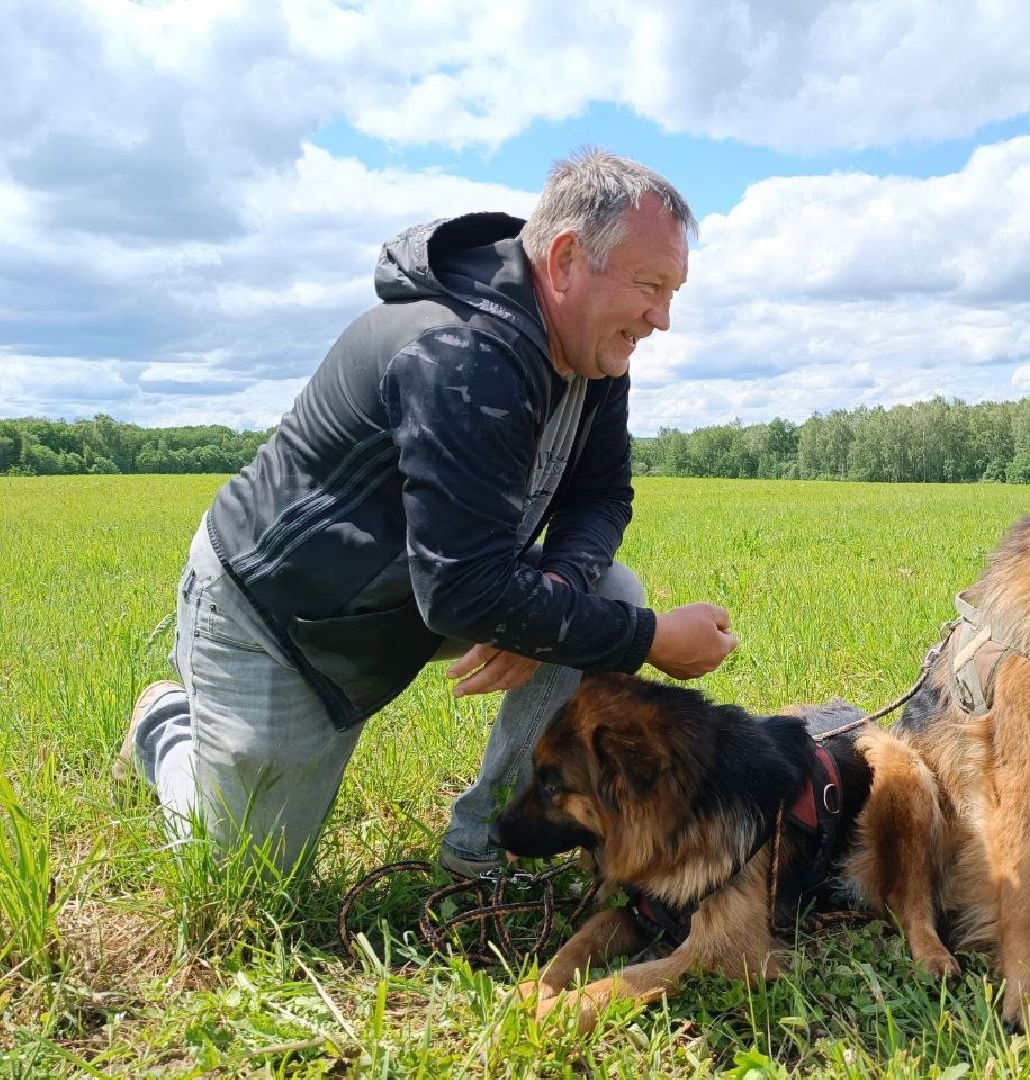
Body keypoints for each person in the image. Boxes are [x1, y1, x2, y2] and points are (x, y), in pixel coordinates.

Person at [114, 150, 737, 879]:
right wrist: (651, 639)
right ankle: (164, 727)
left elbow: (600, 495)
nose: (661, 318)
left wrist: (559, 594)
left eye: (673, 292)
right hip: (283, 621)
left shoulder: (594, 357)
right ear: (567, 260)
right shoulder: (460, 351)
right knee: (246, 869)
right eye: (650, 286)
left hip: (421, 591)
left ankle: (487, 840)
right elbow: (465, 592)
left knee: (606, 593)